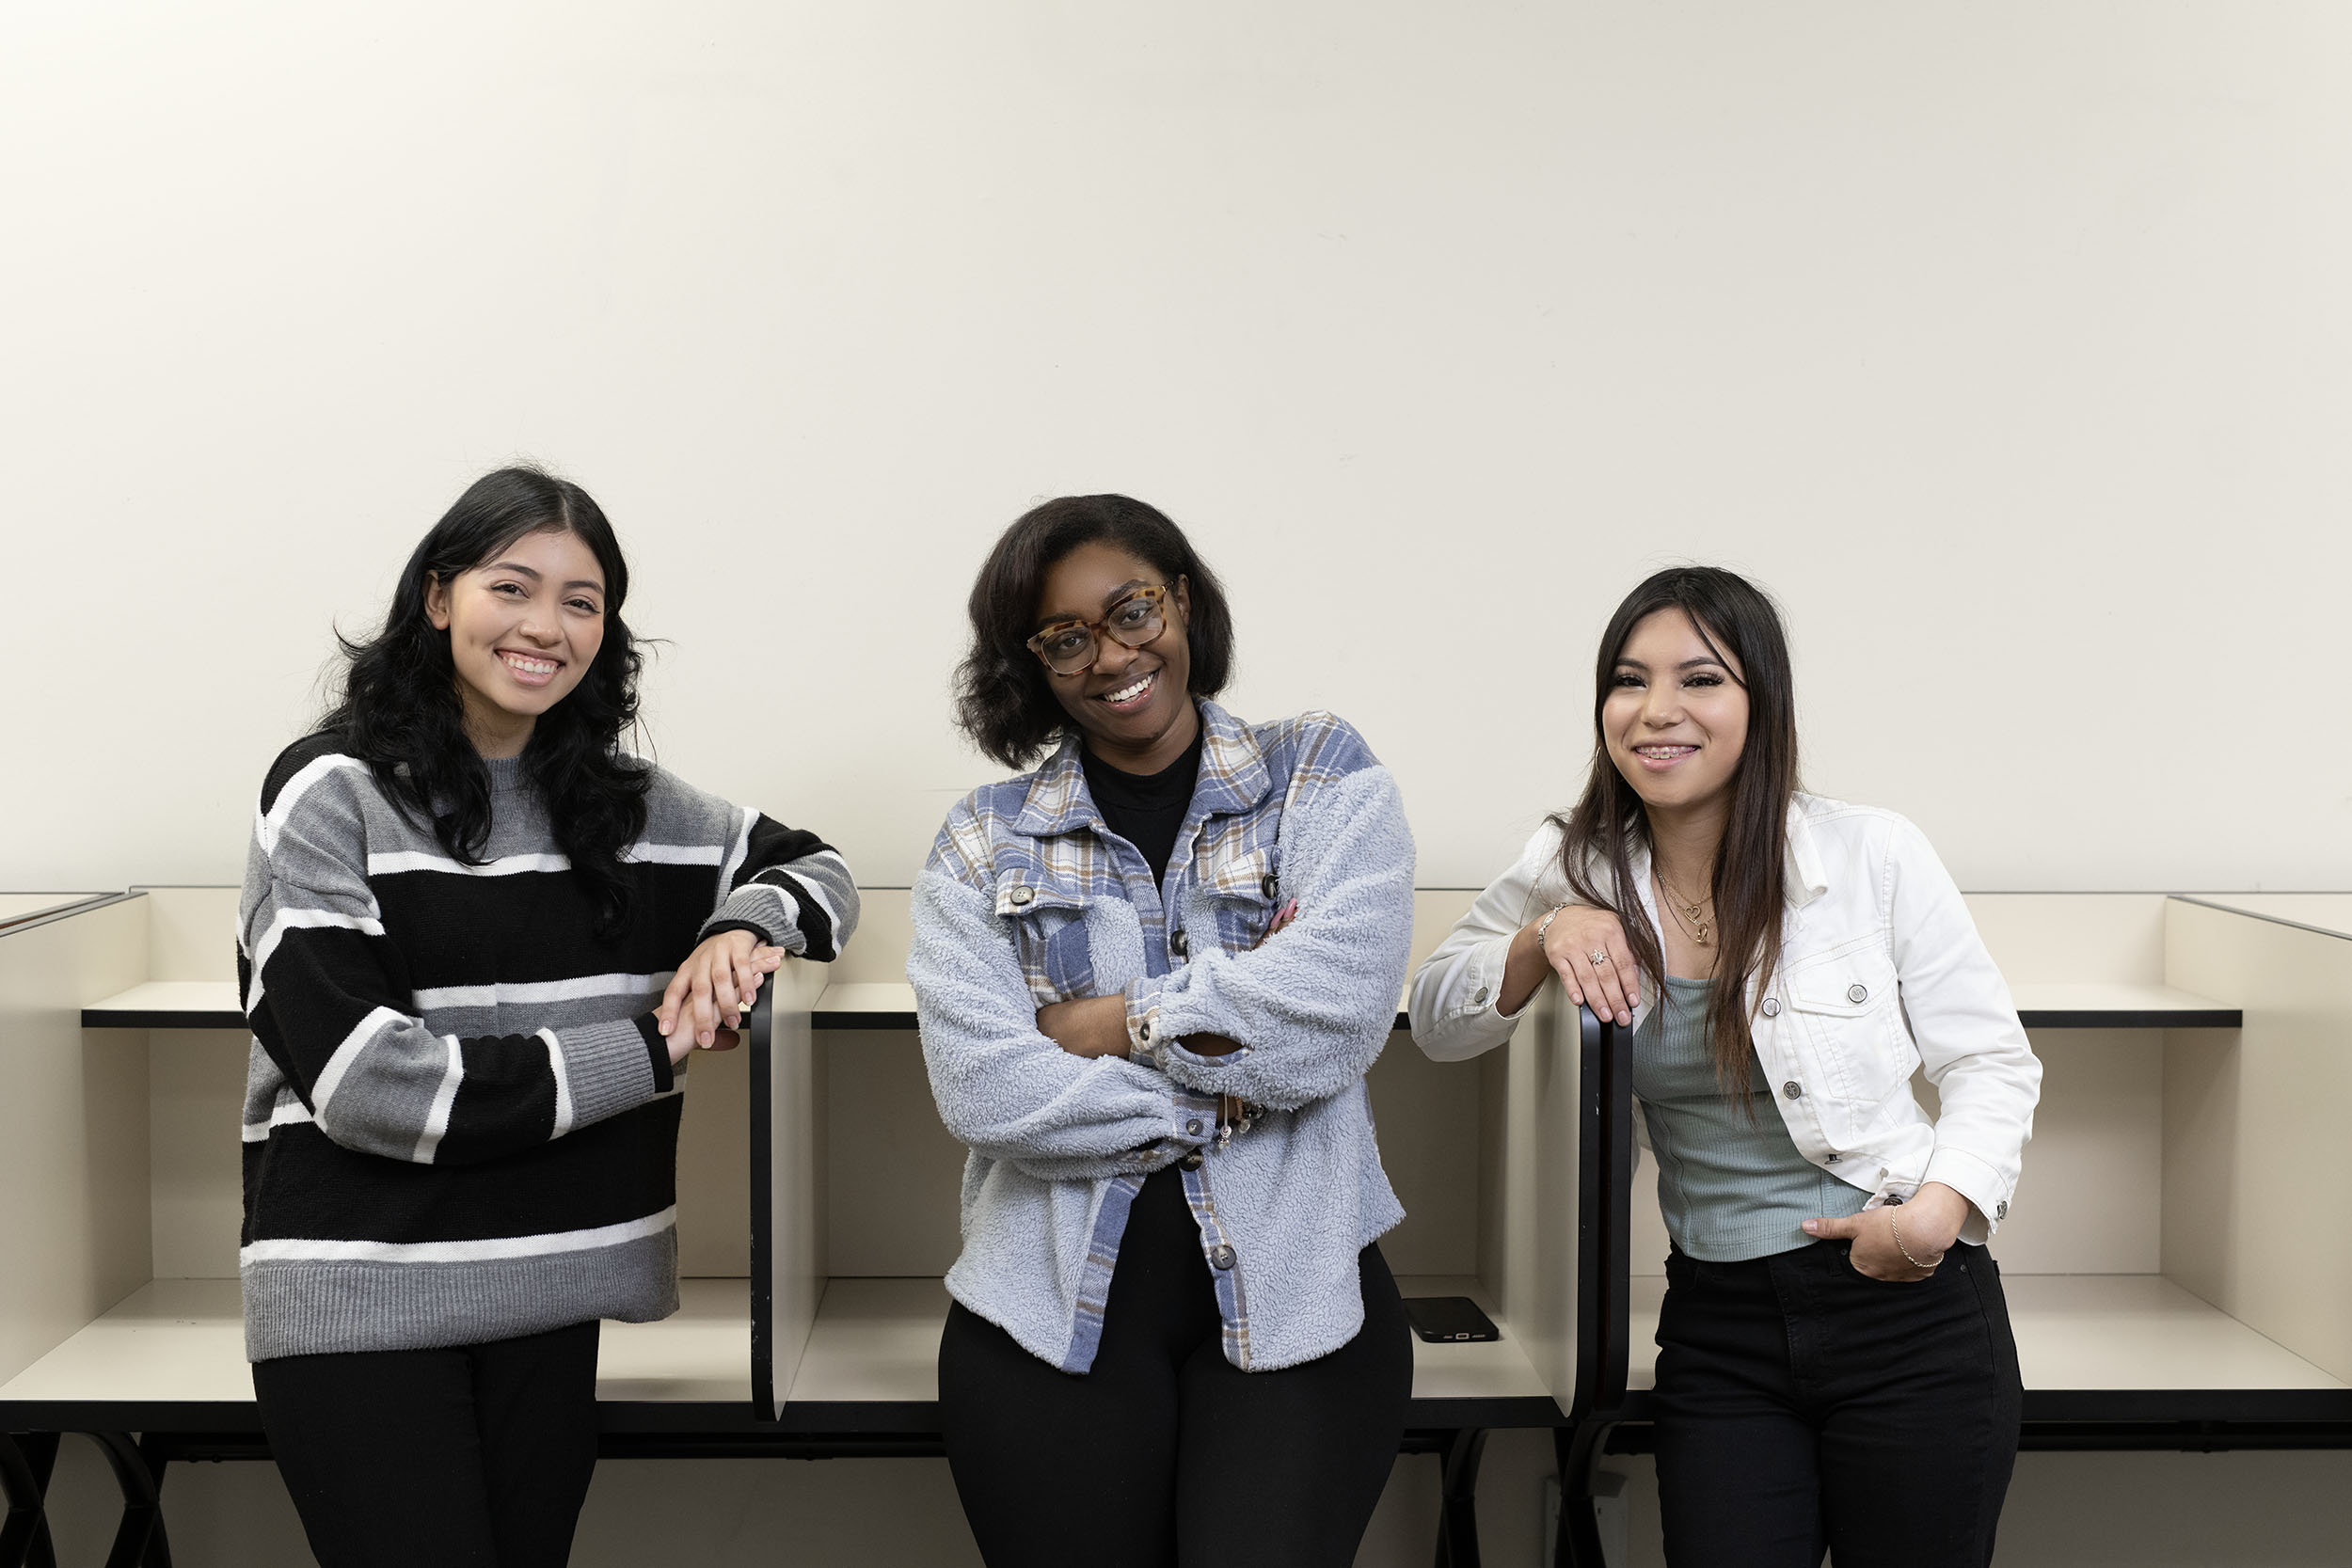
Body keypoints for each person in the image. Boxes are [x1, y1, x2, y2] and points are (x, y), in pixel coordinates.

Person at [237, 467, 857, 1568]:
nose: (545, 625)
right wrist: (654, 1045)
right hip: (362, 1294)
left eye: (580, 600)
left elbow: (813, 865)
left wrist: (738, 927)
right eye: (510, 586)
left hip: (552, 1285)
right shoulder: (331, 791)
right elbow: (374, 1086)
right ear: (438, 598)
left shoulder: (624, 806)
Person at [1408, 565, 2039, 1568]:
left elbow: (1992, 1061)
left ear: (1760, 701)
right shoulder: (1571, 860)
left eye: (1699, 679)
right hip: (1720, 1324)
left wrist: (1934, 1216)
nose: (1656, 710)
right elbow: (1442, 1020)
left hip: (1908, 1305)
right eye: (1628, 679)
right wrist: (1545, 931)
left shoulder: (1870, 851)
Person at [909, 494, 1416, 1568]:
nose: (1111, 655)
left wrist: (1115, 1020)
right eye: (1065, 638)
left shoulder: (1317, 772)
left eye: (1132, 610)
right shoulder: (980, 840)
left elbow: (1336, 1011)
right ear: (1033, 663)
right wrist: (1232, 1077)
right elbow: (985, 1091)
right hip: (1044, 1318)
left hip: (1302, 1305)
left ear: (1180, 602)